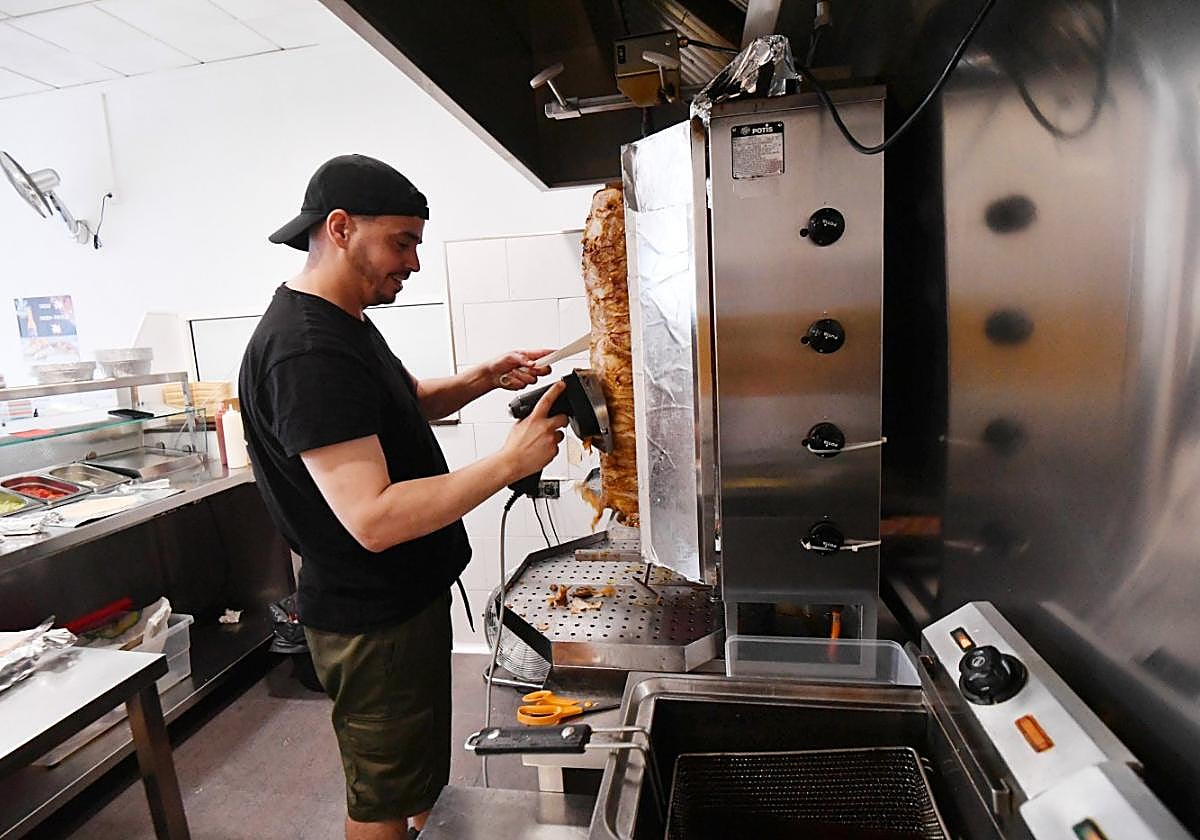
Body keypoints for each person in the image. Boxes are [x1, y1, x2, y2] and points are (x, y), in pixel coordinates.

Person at [238, 154, 568, 840]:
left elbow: (406, 401)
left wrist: (483, 377)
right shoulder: (306, 352)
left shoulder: (343, 322)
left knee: (415, 778)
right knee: (381, 800)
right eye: (402, 242)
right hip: (371, 620)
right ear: (340, 228)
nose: (414, 262)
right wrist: (508, 462)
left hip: (401, 604)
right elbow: (374, 519)